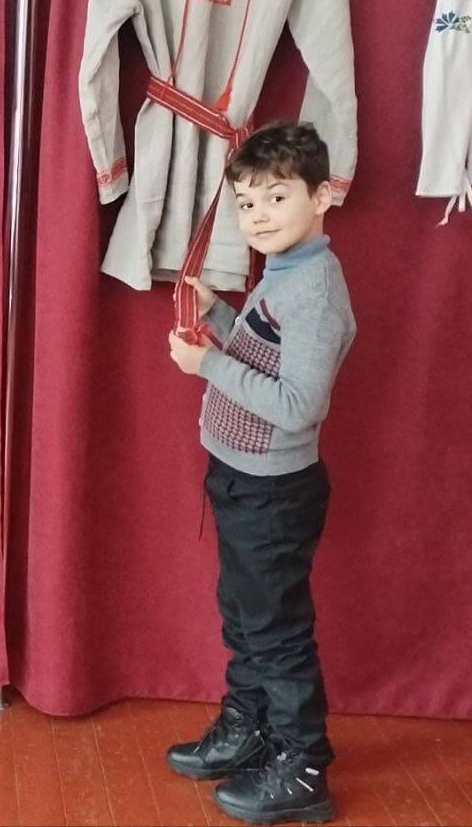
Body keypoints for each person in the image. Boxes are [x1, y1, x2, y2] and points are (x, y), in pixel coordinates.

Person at [166, 122, 356, 826]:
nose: (260, 217)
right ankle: (251, 729)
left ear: (322, 196)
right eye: (247, 203)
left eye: (278, 197)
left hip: (272, 491)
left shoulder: (314, 291)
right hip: (240, 477)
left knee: (275, 631)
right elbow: (267, 348)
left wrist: (207, 365)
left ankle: (303, 767)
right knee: (245, 617)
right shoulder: (283, 272)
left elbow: (300, 405)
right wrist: (220, 314)